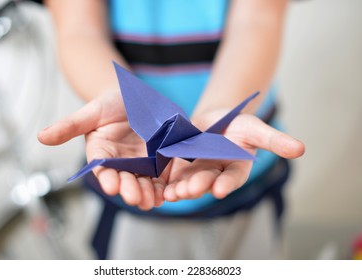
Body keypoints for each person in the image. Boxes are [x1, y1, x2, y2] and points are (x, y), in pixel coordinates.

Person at [38, 0, 305, 259]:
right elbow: (78, 29)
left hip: (248, 185)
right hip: (128, 197)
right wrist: (121, 97)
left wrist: (222, 109)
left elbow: (258, 20)